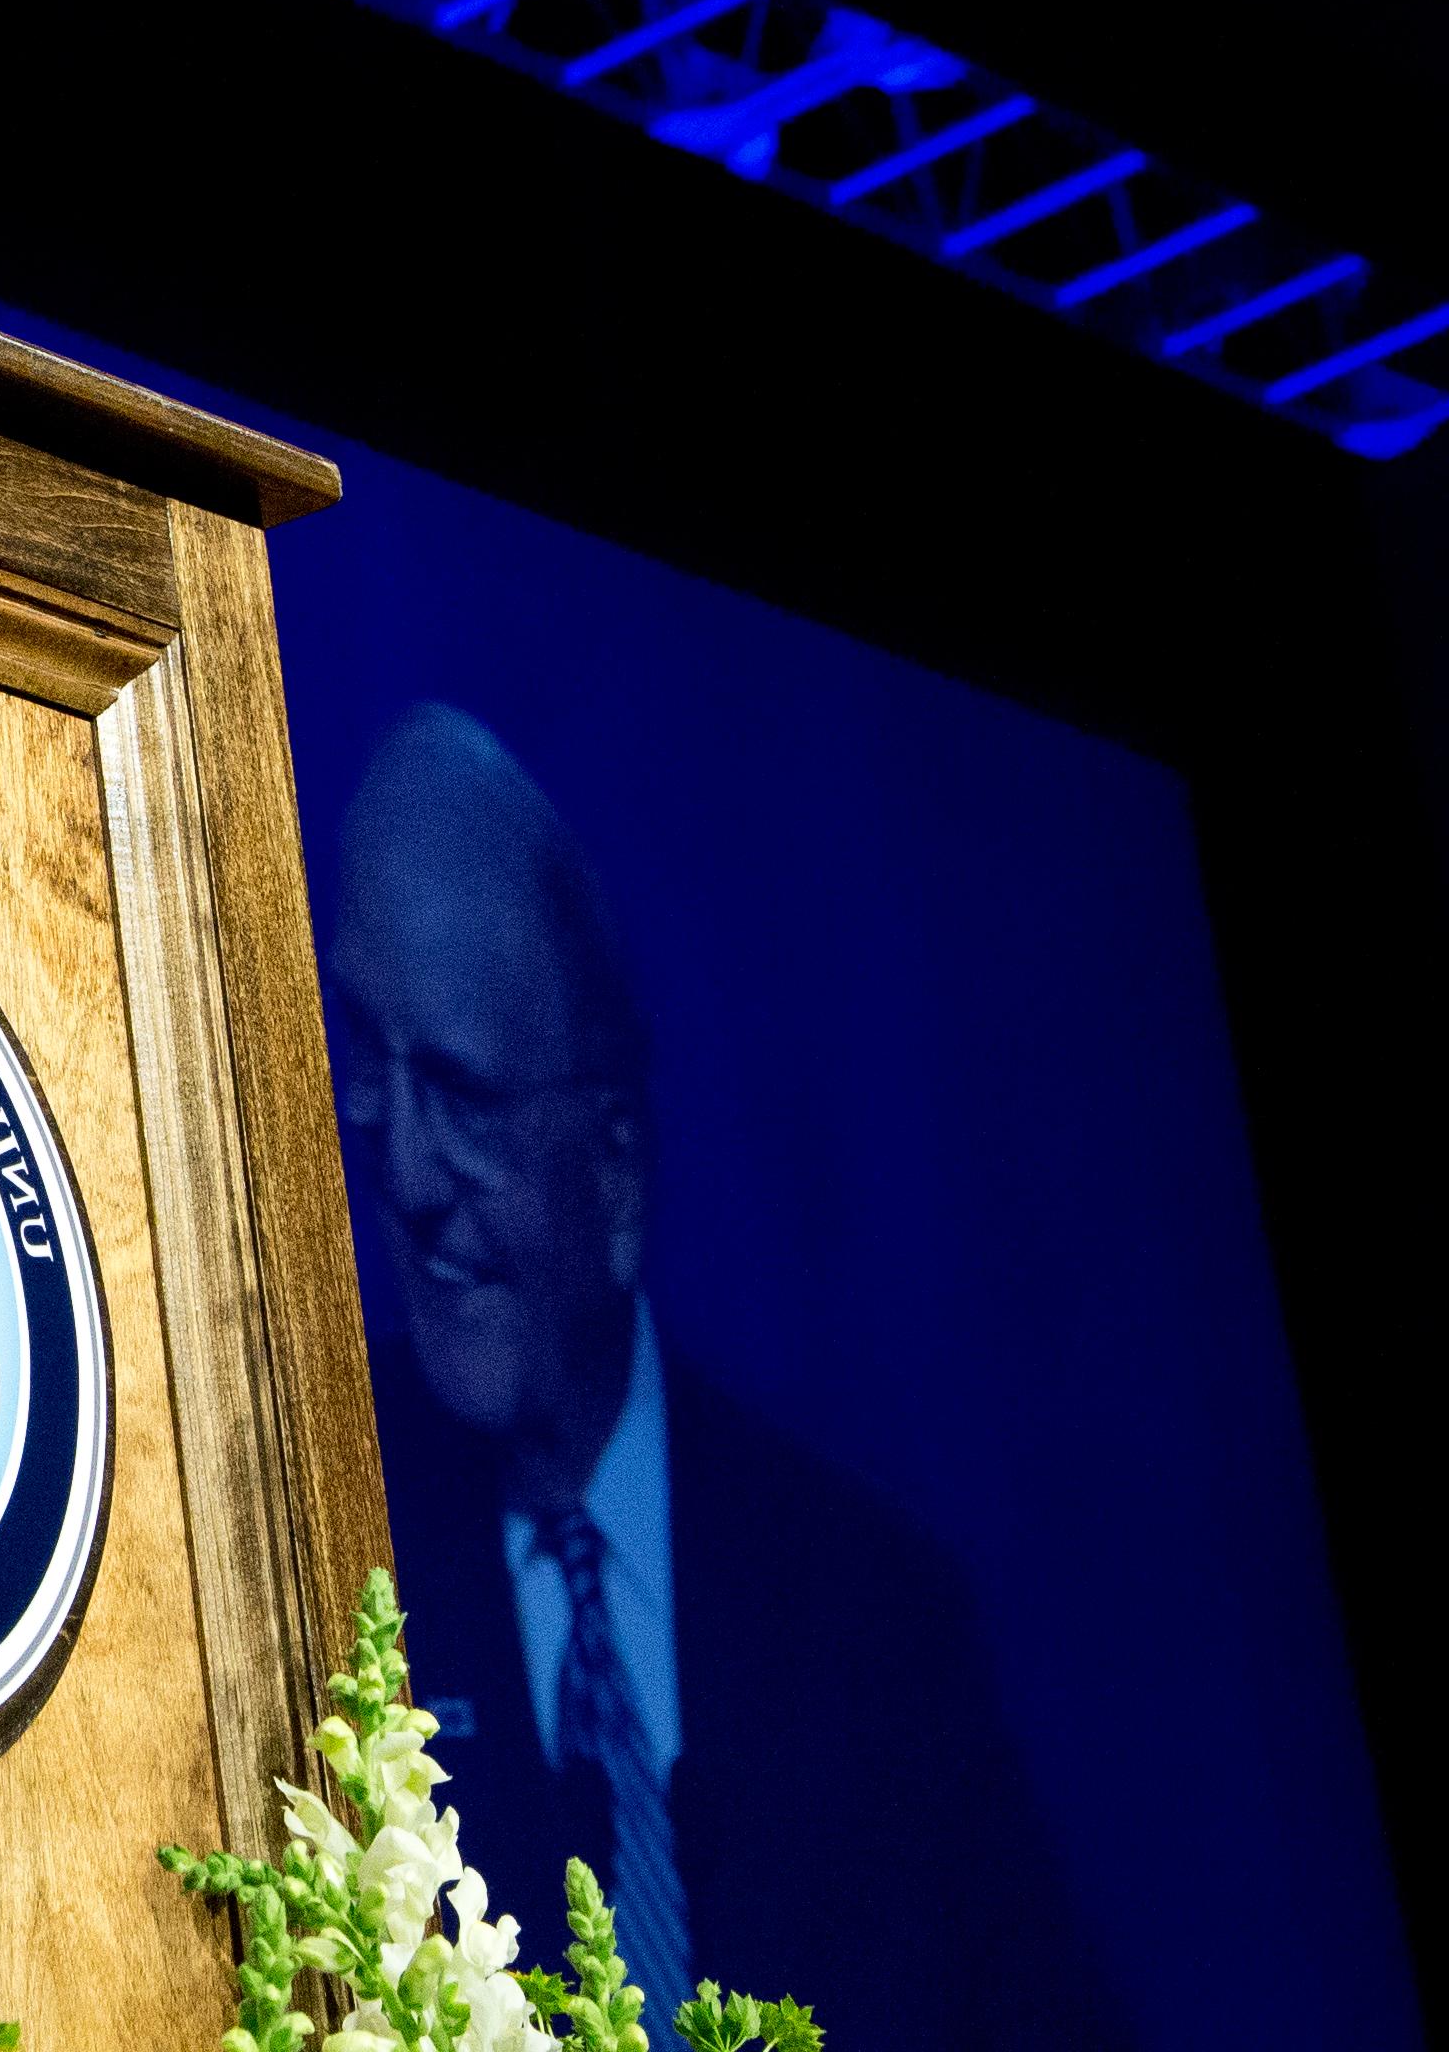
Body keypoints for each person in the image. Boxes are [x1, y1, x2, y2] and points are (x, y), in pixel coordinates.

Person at [328, 707, 1122, 2044]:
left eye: (462, 1095)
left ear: (619, 1170)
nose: (403, 1176)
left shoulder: (878, 1619)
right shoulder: (330, 1557)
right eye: (369, 1067)